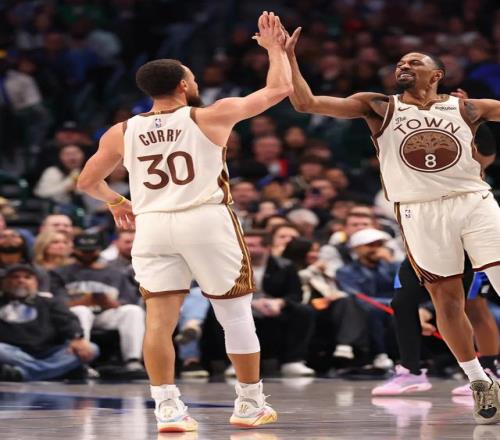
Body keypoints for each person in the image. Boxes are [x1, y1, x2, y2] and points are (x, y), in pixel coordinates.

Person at [76, 11, 292, 433]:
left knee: (159, 322)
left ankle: (168, 409)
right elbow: (279, 89)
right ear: (182, 85)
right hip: (204, 219)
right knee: (235, 315)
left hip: (152, 225)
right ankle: (249, 403)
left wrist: (117, 201)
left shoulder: (121, 131)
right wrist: (274, 50)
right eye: (191, 77)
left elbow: (86, 181)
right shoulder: (208, 115)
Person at [285, 27, 500, 423]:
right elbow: (306, 103)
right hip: (418, 210)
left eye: (414, 62)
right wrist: (287, 57)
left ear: (437, 75)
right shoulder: (379, 106)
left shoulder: (468, 108)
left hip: (473, 201)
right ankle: (478, 379)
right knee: (446, 301)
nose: (403, 66)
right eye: (400, 63)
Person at [0, 264, 98, 381]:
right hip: (12, 352)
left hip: (49, 351)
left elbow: (68, 321)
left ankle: (24, 373)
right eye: (15, 277)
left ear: (36, 282)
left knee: (92, 348)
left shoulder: (49, 303)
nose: (21, 281)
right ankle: (50, 370)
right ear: (5, 282)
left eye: (27, 277)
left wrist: (77, 338)